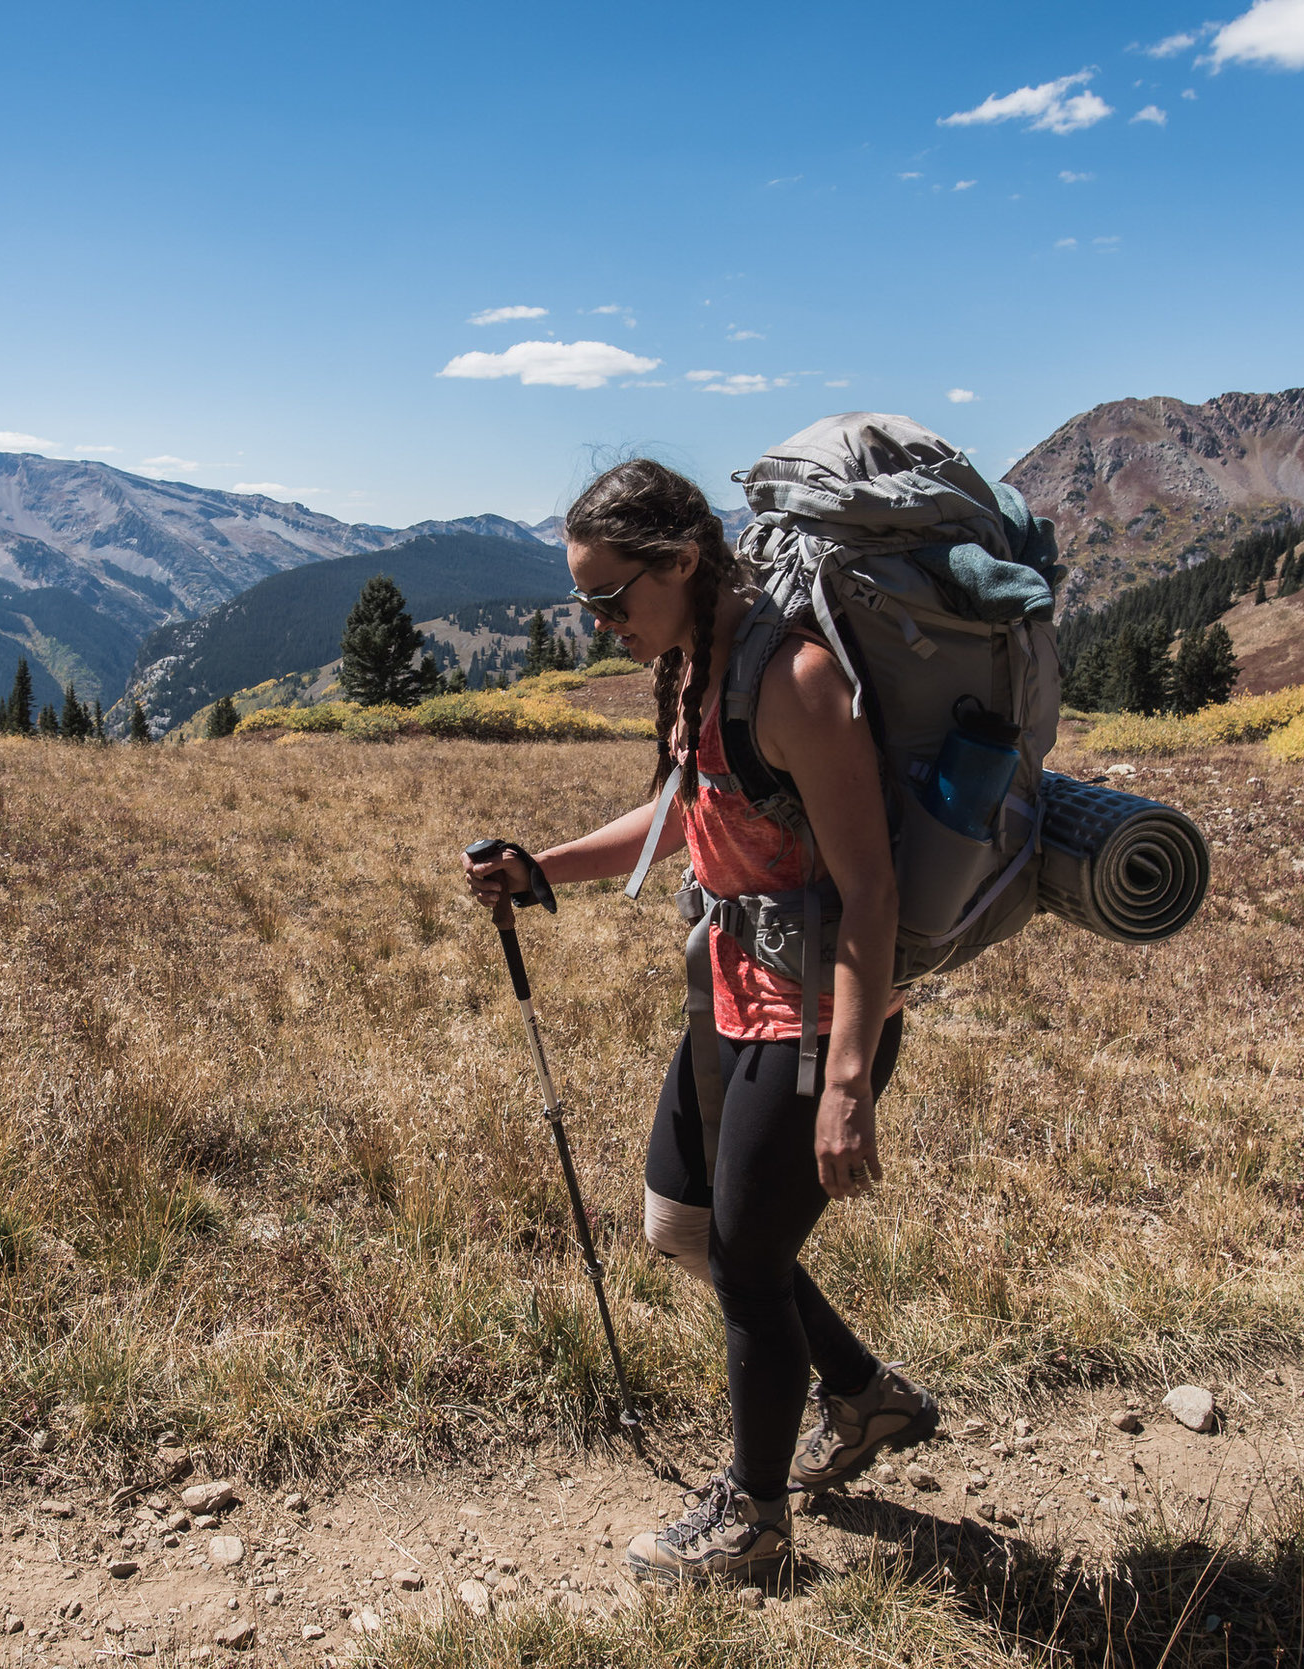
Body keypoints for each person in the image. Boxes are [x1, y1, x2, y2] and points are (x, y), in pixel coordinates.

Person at [463, 459, 938, 1588]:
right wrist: (547, 869)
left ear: (681, 561)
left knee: (746, 1264)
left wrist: (848, 1083)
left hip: (816, 1014)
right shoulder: (691, 665)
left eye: (611, 597)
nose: (598, 623)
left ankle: (755, 1521)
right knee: (683, 1226)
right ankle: (867, 1398)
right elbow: (687, 810)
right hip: (731, 987)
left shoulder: (796, 682)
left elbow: (871, 891)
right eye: (585, 602)